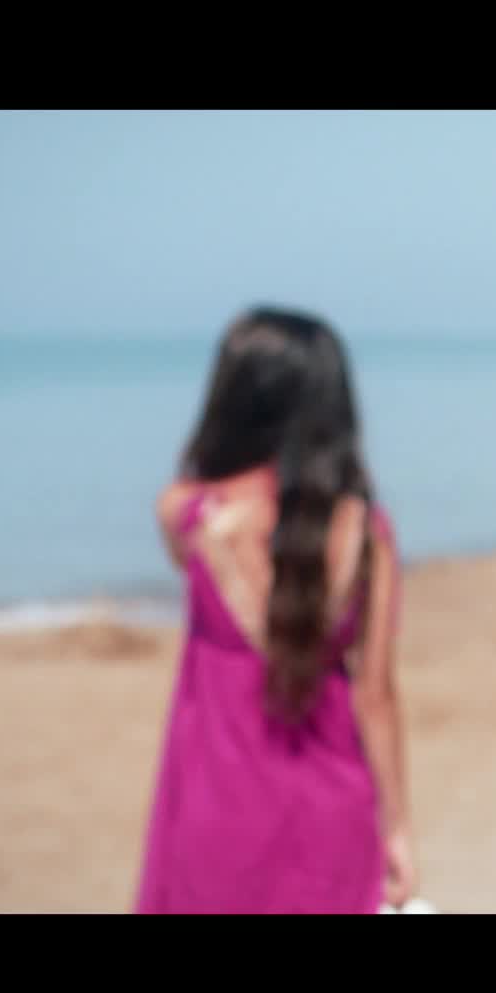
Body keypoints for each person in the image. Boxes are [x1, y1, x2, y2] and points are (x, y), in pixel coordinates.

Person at [136, 307, 414, 914]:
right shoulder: (368, 532)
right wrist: (397, 830)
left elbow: (190, 536)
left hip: (216, 809)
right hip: (335, 813)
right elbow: (376, 696)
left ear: (233, 400)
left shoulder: (189, 515)